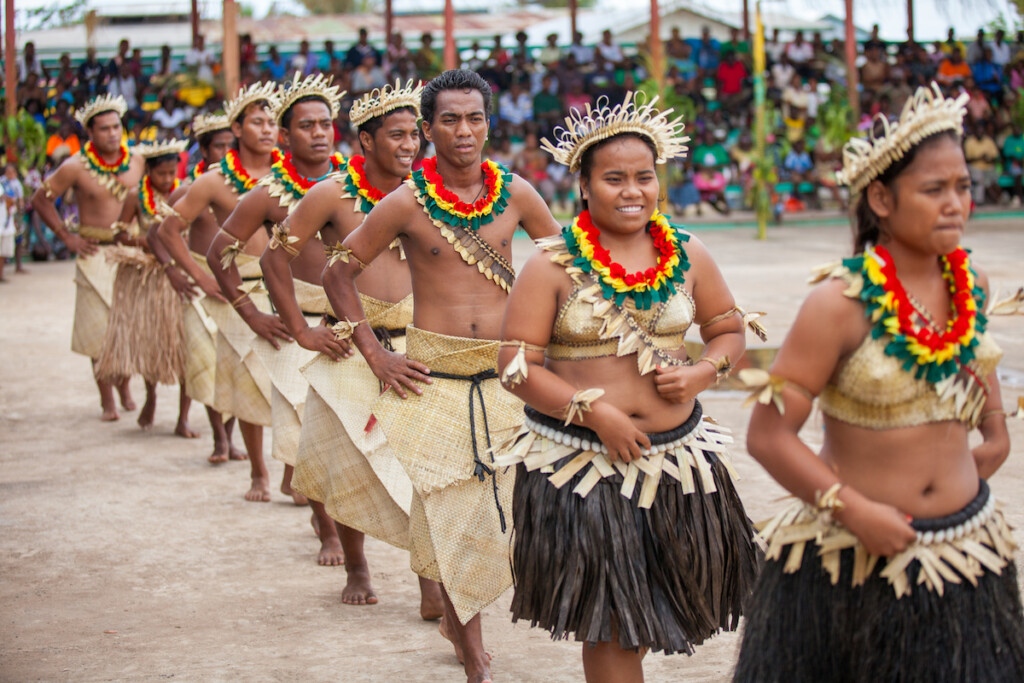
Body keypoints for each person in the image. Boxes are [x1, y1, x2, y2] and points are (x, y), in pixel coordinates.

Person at [732, 83, 1024, 682]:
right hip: (852, 555)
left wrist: (993, 436)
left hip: (965, 550)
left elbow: (981, 384)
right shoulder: (838, 304)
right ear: (882, 199)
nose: (956, 204)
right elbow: (768, 435)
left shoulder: (974, 285)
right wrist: (854, 509)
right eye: (934, 190)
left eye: (963, 187)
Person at [492, 93, 760, 683]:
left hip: (678, 461)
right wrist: (591, 415)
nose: (633, 190)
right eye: (614, 178)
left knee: (654, 611)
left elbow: (727, 330)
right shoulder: (551, 265)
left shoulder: (688, 252)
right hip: (581, 466)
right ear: (584, 186)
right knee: (611, 621)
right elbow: (514, 366)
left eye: (644, 177)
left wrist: (702, 372)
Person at [321, 69, 561, 683]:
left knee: (515, 508)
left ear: (489, 123)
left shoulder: (520, 196)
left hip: (509, 378)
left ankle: (462, 615)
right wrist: (375, 353)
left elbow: (569, 272)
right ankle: (473, 648)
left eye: (474, 117)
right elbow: (336, 276)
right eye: (450, 119)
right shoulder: (403, 203)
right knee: (454, 510)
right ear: (429, 130)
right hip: (435, 380)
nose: (464, 130)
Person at [262, 81, 443, 613]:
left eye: (415, 135)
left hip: (415, 347)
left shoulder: (430, 195)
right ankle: (358, 564)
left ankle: (428, 582)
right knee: (346, 460)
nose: (409, 145)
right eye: (396, 136)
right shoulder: (333, 195)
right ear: (365, 140)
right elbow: (276, 259)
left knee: (422, 466)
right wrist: (300, 330)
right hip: (348, 344)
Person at [206, 74, 345, 507]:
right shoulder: (268, 195)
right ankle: (323, 527)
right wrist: (252, 313)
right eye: (307, 126)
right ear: (285, 135)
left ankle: (315, 501)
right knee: (300, 419)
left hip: (349, 321)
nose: (319, 133)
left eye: (325, 124)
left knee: (339, 430)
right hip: (293, 321)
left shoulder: (354, 186)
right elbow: (219, 254)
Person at [156, 82, 281, 499]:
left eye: (273, 122)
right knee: (246, 380)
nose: (267, 130)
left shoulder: (293, 176)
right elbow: (169, 229)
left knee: (289, 385)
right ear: (237, 128)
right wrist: (198, 275)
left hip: (285, 289)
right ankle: (259, 472)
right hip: (236, 290)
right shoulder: (213, 181)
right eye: (258, 122)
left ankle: (293, 469)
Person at [30, 94, 145, 421]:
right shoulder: (74, 167)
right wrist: (67, 237)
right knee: (98, 329)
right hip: (94, 252)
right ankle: (107, 397)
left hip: (130, 251)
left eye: (116, 127)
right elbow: (41, 199)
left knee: (129, 327)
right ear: (90, 134)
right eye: (105, 129)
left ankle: (125, 385)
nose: (112, 134)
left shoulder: (138, 160)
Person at [153, 112, 243, 463]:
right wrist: (181, 272)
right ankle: (220, 440)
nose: (224, 151)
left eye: (228, 145)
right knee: (206, 361)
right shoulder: (190, 189)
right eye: (216, 146)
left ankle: (230, 436)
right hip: (199, 284)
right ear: (203, 151)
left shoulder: (247, 188)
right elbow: (157, 233)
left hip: (234, 281)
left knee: (237, 364)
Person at [95, 139, 190, 432]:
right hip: (149, 277)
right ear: (148, 171)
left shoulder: (185, 191)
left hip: (180, 275)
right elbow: (119, 235)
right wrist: (147, 242)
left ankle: (183, 418)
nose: (166, 180)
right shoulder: (136, 197)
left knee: (186, 343)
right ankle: (150, 397)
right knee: (154, 342)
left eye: (171, 173)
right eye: (160, 174)